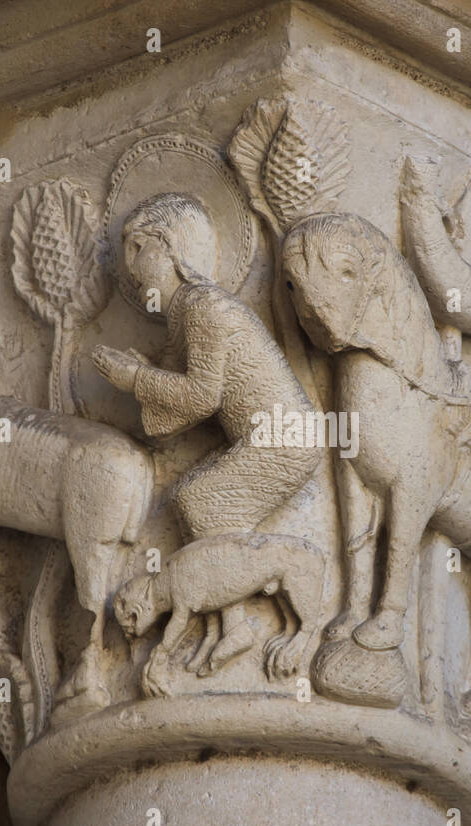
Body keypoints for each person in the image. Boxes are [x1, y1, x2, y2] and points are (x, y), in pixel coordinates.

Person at [93, 193, 321, 668]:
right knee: (194, 501)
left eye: (140, 247)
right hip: (266, 438)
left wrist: (137, 380)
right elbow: (171, 419)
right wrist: (141, 381)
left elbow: (201, 397)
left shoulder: (204, 307)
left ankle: (240, 622)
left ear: (172, 247)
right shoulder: (184, 315)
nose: (132, 266)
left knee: (198, 502)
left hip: (284, 438)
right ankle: (234, 623)